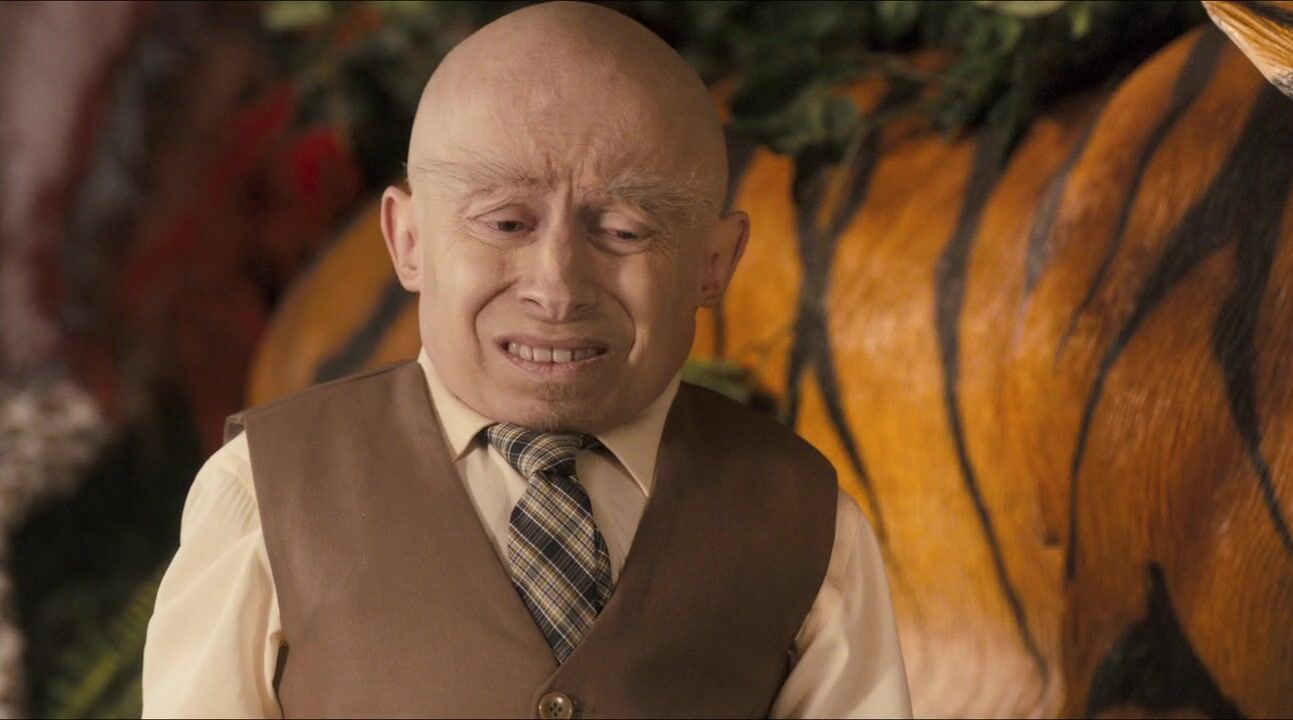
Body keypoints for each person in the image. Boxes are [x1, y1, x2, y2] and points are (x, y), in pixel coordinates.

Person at [141, 2, 911, 717]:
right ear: (408, 241)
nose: (558, 287)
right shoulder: (260, 495)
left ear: (714, 263)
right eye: (506, 223)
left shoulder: (809, 524)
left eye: (624, 230)